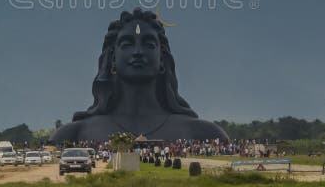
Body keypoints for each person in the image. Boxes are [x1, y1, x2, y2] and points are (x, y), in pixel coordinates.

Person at [50, 8, 229, 142]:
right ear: (112, 58)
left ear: (162, 59)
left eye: (149, 44)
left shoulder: (205, 134)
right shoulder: (74, 134)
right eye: (127, 44)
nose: (137, 52)